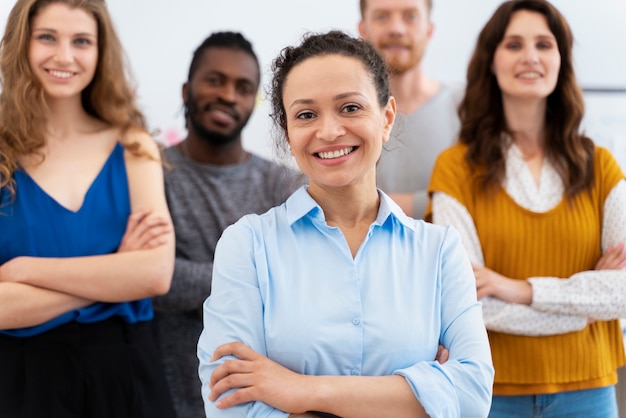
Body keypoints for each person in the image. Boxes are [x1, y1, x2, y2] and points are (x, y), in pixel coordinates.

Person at [197, 30, 494, 418]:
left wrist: (299, 390)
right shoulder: (246, 246)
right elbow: (231, 406)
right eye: (306, 115)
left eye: (350, 108)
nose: (329, 131)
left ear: (387, 118)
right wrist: (418, 396)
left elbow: (471, 397)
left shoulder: (439, 251)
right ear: (287, 132)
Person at [427, 1, 626, 416]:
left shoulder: (602, 167)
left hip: (589, 392)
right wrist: (584, 311)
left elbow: (622, 292)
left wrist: (517, 287)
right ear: (492, 62)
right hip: (489, 393)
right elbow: (469, 304)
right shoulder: (456, 169)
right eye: (514, 44)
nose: (530, 56)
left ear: (561, 60)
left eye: (544, 44)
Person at [0, 0, 176, 417]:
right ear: (22, 44)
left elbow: (154, 274)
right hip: (22, 381)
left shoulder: (134, 146)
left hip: (127, 376)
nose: (64, 56)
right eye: (47, 37)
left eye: (81, 41)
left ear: (100, 52)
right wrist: (115, 271)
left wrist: (26, 271)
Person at [152, 31, 305, 418]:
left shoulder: (284, 183)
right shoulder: (150, 172)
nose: (228, 96)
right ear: (187, 90)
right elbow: (147, 281)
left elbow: (300, 285)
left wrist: (181, 273)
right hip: (160, 389)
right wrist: (253, 272)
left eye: (243, 87)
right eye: (215, 80)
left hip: (260, 402)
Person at [358, 0, 462, 218]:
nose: (396, 29)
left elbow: (481, 199)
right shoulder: (343, 116)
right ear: (362, 30)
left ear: (429, 29)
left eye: (410, 16)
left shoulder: (467, 106)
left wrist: (365, 207)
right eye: (382, 16)